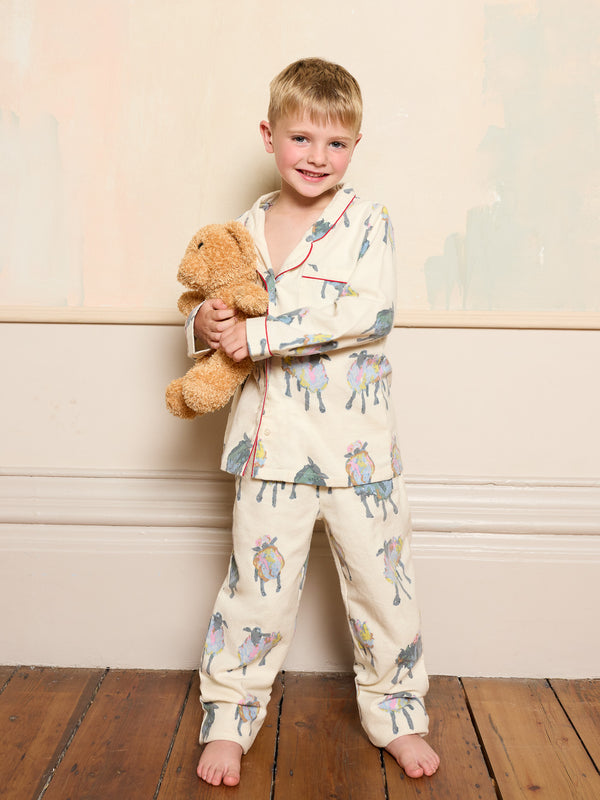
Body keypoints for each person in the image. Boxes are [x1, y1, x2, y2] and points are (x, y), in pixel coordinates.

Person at [185, 57, 440, 787]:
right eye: (301, 138)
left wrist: (261, 335)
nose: (317, 157)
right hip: (269, 447)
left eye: (336, 143)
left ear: (355, 146)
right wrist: (204, 326)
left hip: (358, 453)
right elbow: (208, 309)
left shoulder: (367, 223)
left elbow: (369, 312)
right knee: (255, 592)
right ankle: (229, 715)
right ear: (270, 136)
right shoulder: (239, 231)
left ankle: (397, 711)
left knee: (382, 586)